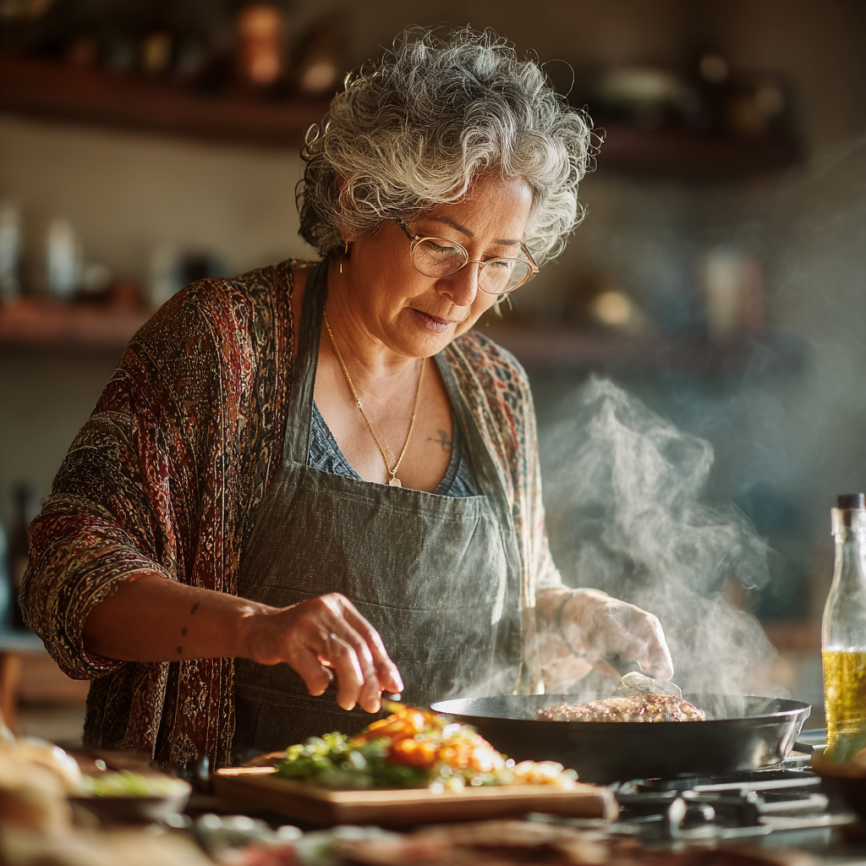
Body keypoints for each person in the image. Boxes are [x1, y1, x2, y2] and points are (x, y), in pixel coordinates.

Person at [22, 28, 674, 767]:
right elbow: (67, 569)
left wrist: (574, 612)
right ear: (356, 202)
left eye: (499, 261)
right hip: (228, 814)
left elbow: (517, 596)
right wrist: (256, 628)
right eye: (441, 245)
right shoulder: (221, 344)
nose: (465, 292)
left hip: (459, 809)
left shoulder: (496, 388)